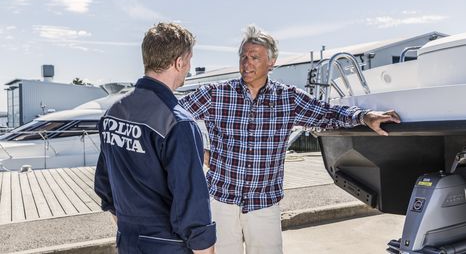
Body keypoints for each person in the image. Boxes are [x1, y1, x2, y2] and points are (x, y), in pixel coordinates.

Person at [179, 25, 400, 254]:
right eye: (243, 56)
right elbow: (172, 117)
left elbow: (326, 113)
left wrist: (363, 116)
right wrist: (199, 152)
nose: (246, 63)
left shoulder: (288, 99)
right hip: (221, 201)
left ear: (272, 62)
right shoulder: (216, 94)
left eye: (254, 57)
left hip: (264, 204)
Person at [94, 23, 216, 254]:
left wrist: (127, 226)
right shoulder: (178, 123)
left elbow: (104, 182)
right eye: (189, 60)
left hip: (128, 240)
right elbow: (191, 204)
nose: (188, 68)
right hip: (167, 245)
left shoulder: (113, 112)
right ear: (179, 62)